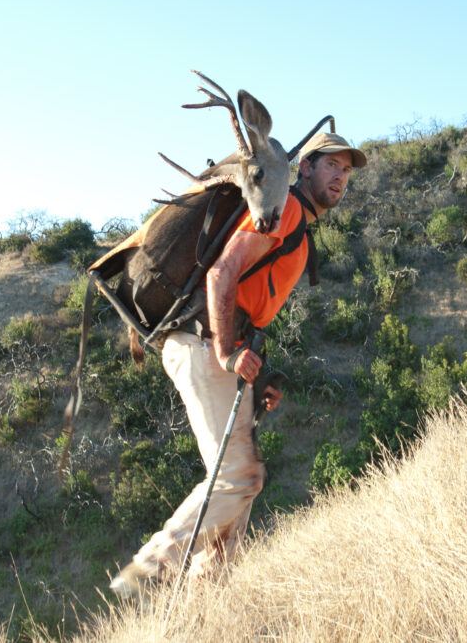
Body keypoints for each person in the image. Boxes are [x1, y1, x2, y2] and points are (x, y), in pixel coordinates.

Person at [109, 132, 367, 598]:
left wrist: (260, 372)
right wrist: (227, 351)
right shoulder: (283, 210)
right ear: (304, 168)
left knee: (235, 495)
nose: (341, 177)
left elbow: (248, 302)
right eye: (332, 165)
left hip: (207, 345)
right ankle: (149, 571)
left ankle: (207, 608)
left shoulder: (295, 226)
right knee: (240, 478)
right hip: (203, 343)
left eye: (347, 171)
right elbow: (221, 272)